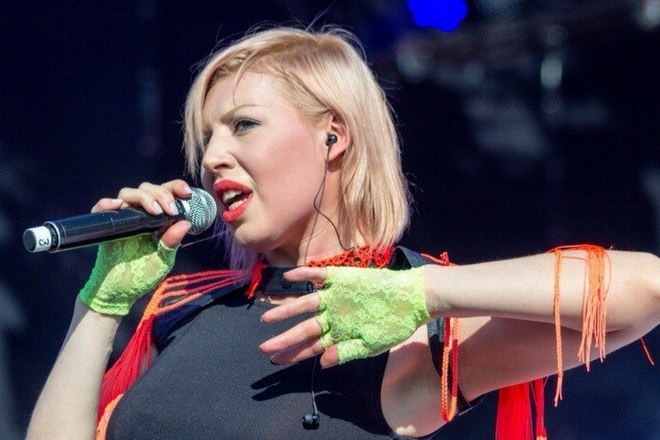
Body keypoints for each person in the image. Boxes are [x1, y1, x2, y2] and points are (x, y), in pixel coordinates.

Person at [26, 26, 659, 440]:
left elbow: (645, 289)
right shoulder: (182, 310)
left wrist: (426, 293)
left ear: (333, 135)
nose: (212, 157)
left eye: (243, 125)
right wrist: (99, 305)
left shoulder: (404, 321)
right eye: (207, 137)